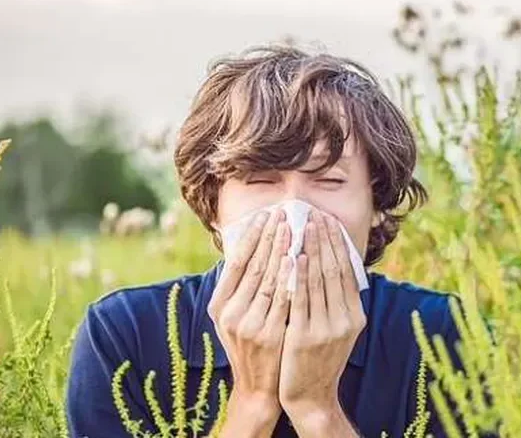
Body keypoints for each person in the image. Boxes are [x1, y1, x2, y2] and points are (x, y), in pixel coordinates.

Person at [66, 45, 491, 437]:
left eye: (328, 180)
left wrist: (318, 410)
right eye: (260, 180)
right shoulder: (125, 336)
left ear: (376, 203)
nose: (294, 212)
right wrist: (252, 404)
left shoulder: (443, 335)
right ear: (213, 206)